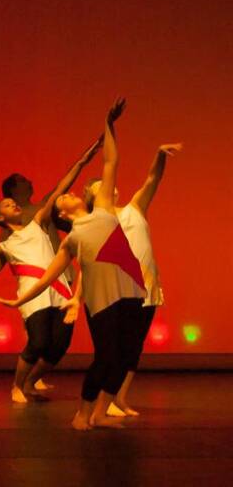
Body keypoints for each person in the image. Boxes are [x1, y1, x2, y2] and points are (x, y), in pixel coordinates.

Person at [0, 99, 146, 431]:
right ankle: (83, 412)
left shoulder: (104, 207)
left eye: (69, 194)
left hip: (131, 289)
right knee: (106, 357)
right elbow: (47, 278)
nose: (68, 195)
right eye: (63, 198)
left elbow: (111, 161)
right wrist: (18, 300)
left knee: (125, 356)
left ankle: (101, 413)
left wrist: (109, 124)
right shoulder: (70, 238)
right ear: (62, 215)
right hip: (101, 299)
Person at [0, 135, 102, 402]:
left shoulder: (37, 222)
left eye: (13, 203)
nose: (14, 205)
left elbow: (60, 188)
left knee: (59, 346)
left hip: (60, 290)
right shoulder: (4, 247)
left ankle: (31, 382)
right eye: (8, 205)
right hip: (33, 296)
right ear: (0, 218)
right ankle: (17, 385)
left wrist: (83, 160)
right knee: (39, 342)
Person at [84, 142, 183, 417]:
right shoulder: (95, 222)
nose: (109, 186)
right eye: (100, 186)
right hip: (118, 291)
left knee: (135, 346)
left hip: (147, 286)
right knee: (115, 348)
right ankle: (101, 402)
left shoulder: (134, 209)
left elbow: (153, 179)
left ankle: (119, 399)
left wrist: (159, 154)